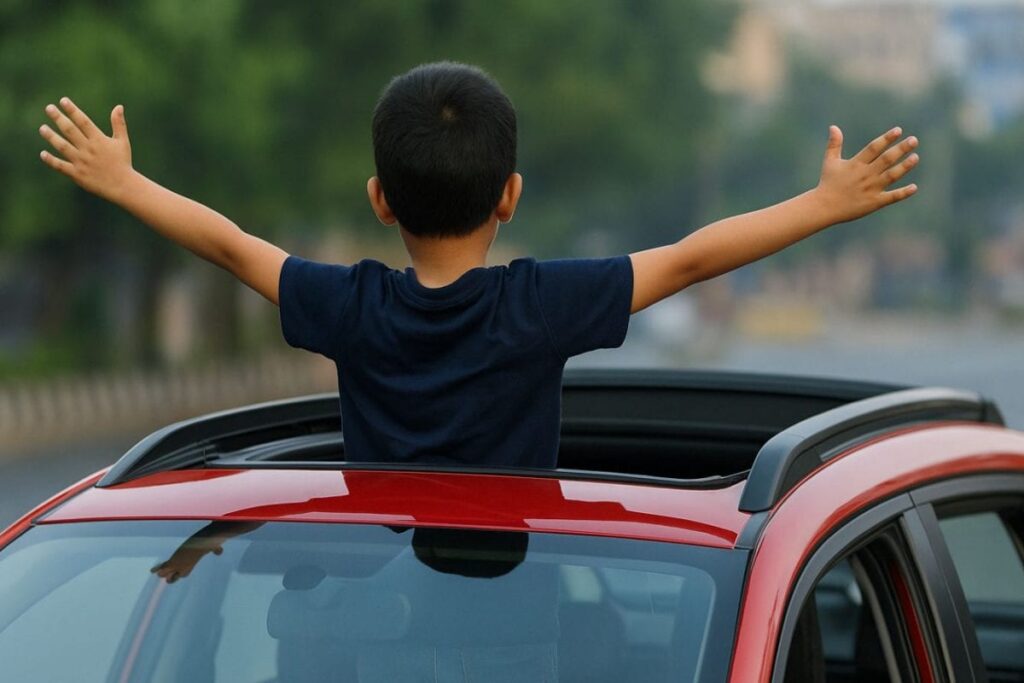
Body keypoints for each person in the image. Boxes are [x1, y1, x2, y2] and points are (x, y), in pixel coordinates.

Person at [37, 61, 919, 468]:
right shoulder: (538, 305)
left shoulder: (350, 307)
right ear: (511, 195)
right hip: (513, 595)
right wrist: (825, 204)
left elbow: (232, 246)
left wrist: (122, 181)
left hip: (369, 589)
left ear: (380, 199)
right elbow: (688, 262)